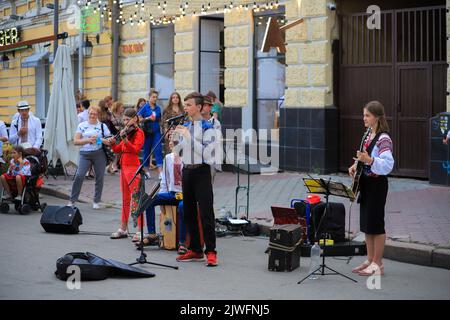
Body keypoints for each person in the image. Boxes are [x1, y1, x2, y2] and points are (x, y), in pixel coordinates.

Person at [348, 100, 394, 277]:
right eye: (364, 115)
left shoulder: (383, 138)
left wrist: (370, 161)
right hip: (366, 184)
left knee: (376, 224)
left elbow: (388, 164)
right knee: (367, 224)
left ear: (376, 117)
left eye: (367, 115)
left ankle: (378, 264)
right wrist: (355, 165)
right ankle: (369, 259)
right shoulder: (367, 135)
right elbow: (363, 156)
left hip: (377, 186)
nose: (364, 118)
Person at [173, 92, 218, 267]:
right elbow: (181, 152)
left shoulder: (209, 127)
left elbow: (207, 153)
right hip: (188, 171)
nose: (186, 108)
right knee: (189, 212)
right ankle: (196, 250)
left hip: (202, 171)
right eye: (185, 105)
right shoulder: (185, 126)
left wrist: (188, 137)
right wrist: (175, 144)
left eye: (189, 105)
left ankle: (211, 251)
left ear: (199, 107)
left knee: (206, 212)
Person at [141, 137, 187, 253]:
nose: (170, 143)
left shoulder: (187, 158)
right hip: (172, 194)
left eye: (173, 141)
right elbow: (165, 180)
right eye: (170, 141)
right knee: (149, 200)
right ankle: (152, 234)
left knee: (182, 207)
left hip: (185, 195)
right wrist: (162, 195)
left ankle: (182, 242)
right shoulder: (168, 158)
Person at [109, 108, 145, 240]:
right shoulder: (126, 132)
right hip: (124, 167)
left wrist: (125, 140)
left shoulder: (139, 132)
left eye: (127, 119)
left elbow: (135, 150)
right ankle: (123, 228)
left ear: (135, 119)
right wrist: (112, 144)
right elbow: (118, 149)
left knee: (136, 198)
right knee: (125, 199)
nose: (125, 122)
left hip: (133, 167)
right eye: (123, 120)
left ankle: (140, 230)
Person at [68, 105, 111, 210]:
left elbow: (109, 142)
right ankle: (72, 201)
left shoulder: (102, 126)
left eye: (95, 114)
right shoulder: (82, 125)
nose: (92, 115)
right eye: (91, 113)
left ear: (98, 115)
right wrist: (88, 140)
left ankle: (96, 201)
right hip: (84, 154)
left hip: (98, 153)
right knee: (79, 175)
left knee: (99, 177)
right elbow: (76, 141)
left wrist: (98, 140)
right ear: (88, 114)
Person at [137, 89, 163, 177]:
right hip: (147, 132)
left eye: (156, 97)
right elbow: (139, 118)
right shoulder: (145, 107)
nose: (155, 99)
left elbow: (159, 119)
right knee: (146, 151)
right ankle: (146, 171)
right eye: (153, 97)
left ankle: (160, 172)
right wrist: (148, 118)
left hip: (156, 132)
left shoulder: (158, 108)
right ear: (149, 97)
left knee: (158, 150)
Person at [202, 95, 222, 183]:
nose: (202, 107)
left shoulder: (216, 123)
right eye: (200, 105)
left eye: (205, 105)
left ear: (210, 107)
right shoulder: (195, 121)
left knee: (208, 186)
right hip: (195, 159)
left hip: (210, 159)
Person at [109, 101, 125, 173]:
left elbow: (125, 124)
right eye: (122, 107)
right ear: (117, 107)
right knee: (115, 150)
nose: (123, 109)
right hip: (114, 134)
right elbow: (110, 124)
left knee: (120, 150)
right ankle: (113, 165)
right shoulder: (111, 115)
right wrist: (115, 127)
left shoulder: (123, 116)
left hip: (121, 134)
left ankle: (115, 164)